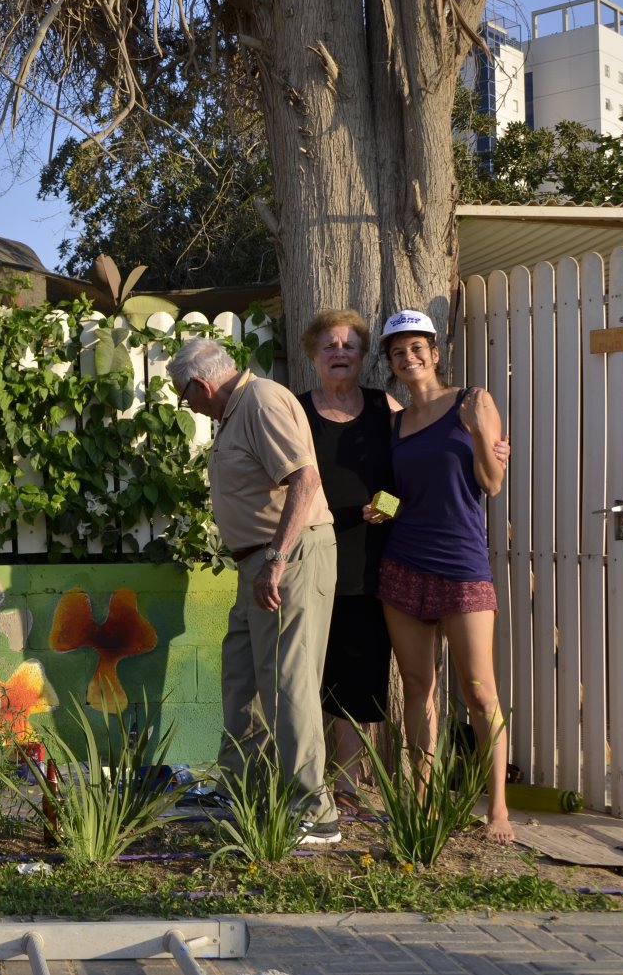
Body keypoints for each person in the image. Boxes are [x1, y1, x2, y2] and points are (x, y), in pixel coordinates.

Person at [169, 335, 341, 844]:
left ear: (201, 385)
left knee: (287, 681)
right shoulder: (235, 411)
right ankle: (241, 787)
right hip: (258, 562)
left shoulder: (261, 400)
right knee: (242, 674)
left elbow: (305, 480)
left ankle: (315, 811)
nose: (187, 406)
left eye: (184, 396)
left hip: (287, 557)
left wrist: (276, 559)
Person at [367, 308, 514, 842]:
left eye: (416, 348)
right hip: (403, 563)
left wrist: (477, 432)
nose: (409, 357)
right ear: (390, 363)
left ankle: (497, 809)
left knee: (479, 691)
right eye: (397, 352)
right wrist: (379, 508)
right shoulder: (394, 423)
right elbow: (397, 493)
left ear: (434, 352)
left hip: (462, 565)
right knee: (417, 687)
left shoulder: (473, 401)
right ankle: (424, 804)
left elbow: (492, 483)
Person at [296, 309, 398, 818]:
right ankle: (305, 781)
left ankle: (348, 788)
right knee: (307, 675)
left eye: (349, 345)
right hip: (311, 556)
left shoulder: (384, 407)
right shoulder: (297, 410)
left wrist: (389, 506)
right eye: (329, 345)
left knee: (357, 676)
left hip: (370, 560)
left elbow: (412, 469)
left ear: (362, 357)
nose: (340, 353)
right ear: (313, 356)